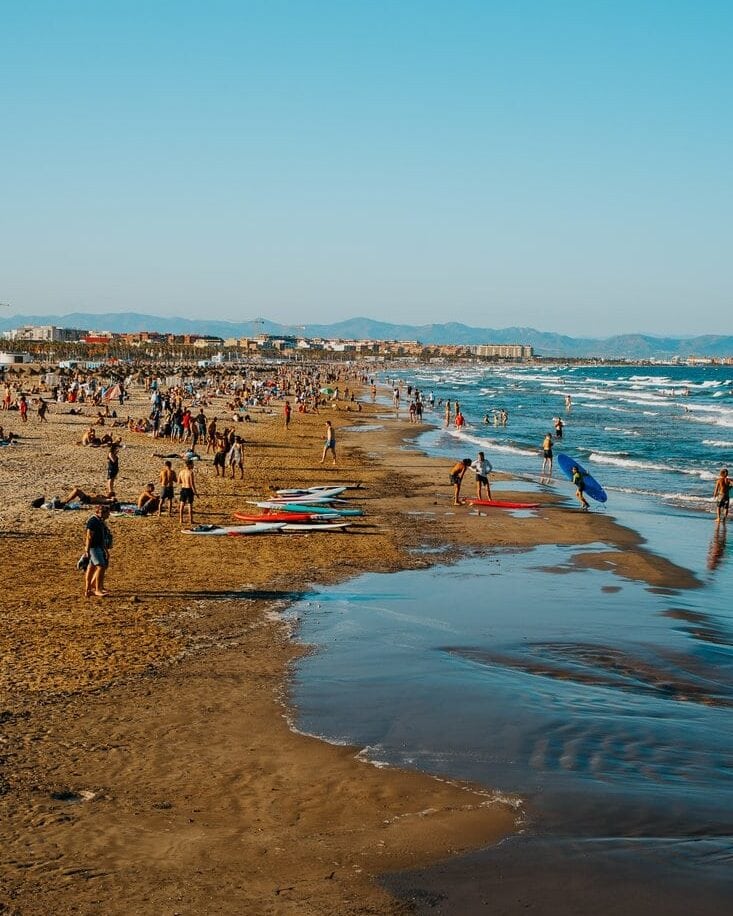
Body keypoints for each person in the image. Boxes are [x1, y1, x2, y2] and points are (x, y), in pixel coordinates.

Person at [83, 504, 112, 597]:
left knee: (91, 568)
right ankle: (97, 589)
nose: (109, 515)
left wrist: (105, 550)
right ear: (101, 513)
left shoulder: (99, 521)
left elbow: (101, 537)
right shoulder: (93, 521)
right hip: (93, 548)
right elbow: (89, 536)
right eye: (107, 513)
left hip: (97, 547)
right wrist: (87, 550)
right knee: (101, 566)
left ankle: (88, 590)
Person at [178, 459, 197, 528]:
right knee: (189, 505)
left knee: (182, 505)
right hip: (189, 489)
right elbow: (192, 484)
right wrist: (195, 492)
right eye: (192, 464)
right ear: (189, 464)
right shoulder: (190, 472)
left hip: (183, 489)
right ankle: (191, 520)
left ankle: (181, 519)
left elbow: (179, 481)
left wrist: (184, 481)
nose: (193, 465)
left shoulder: (181, 472)